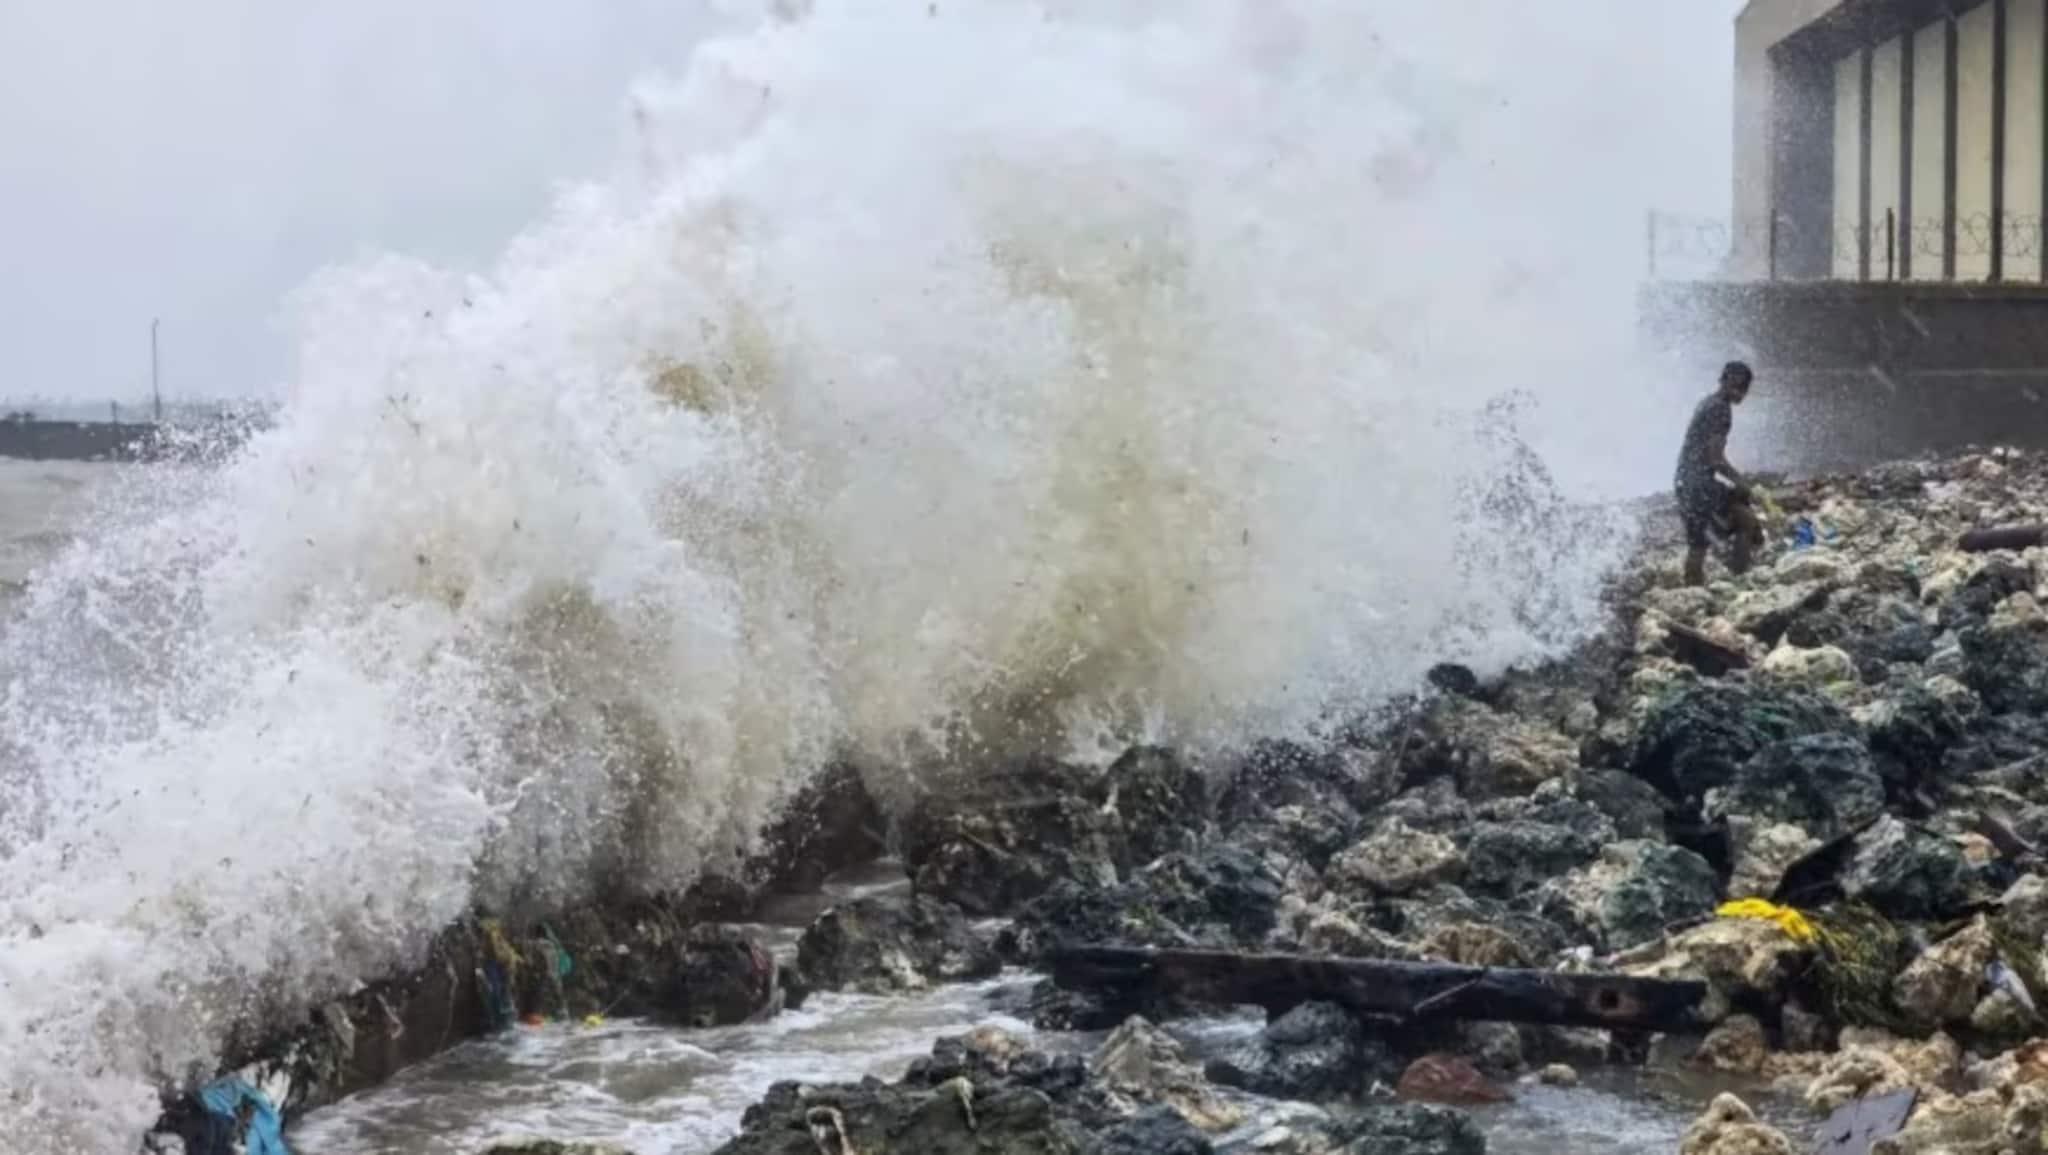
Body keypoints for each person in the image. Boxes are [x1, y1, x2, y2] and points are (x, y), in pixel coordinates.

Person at [1675, 361, 1763, 586]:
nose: (1738, 392)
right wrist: (1741, 481)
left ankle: (1694, 588)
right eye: (1734, 386)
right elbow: (1715, 459)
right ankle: (1739, 578)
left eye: (1742, 388)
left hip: (1684, 480)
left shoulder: (1708, 402)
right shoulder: (1721, 410)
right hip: (1698, 484)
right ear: (1723, 382)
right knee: (1746, 520)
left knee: (1698, 544)